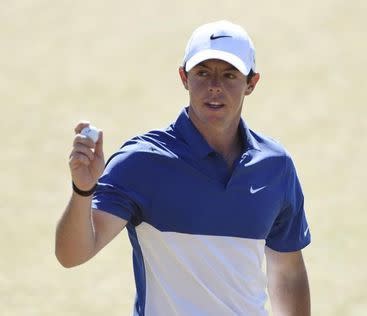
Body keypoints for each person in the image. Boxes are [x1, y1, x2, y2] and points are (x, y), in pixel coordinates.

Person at [55, 20, 311, 316]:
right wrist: (82, 190)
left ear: (251, 83)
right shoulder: (141, 162)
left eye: (229, 75)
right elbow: (72, 254)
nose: (215, 86)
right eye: (203, 73)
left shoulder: (275, 167)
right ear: (184, 78)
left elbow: (288, 272)